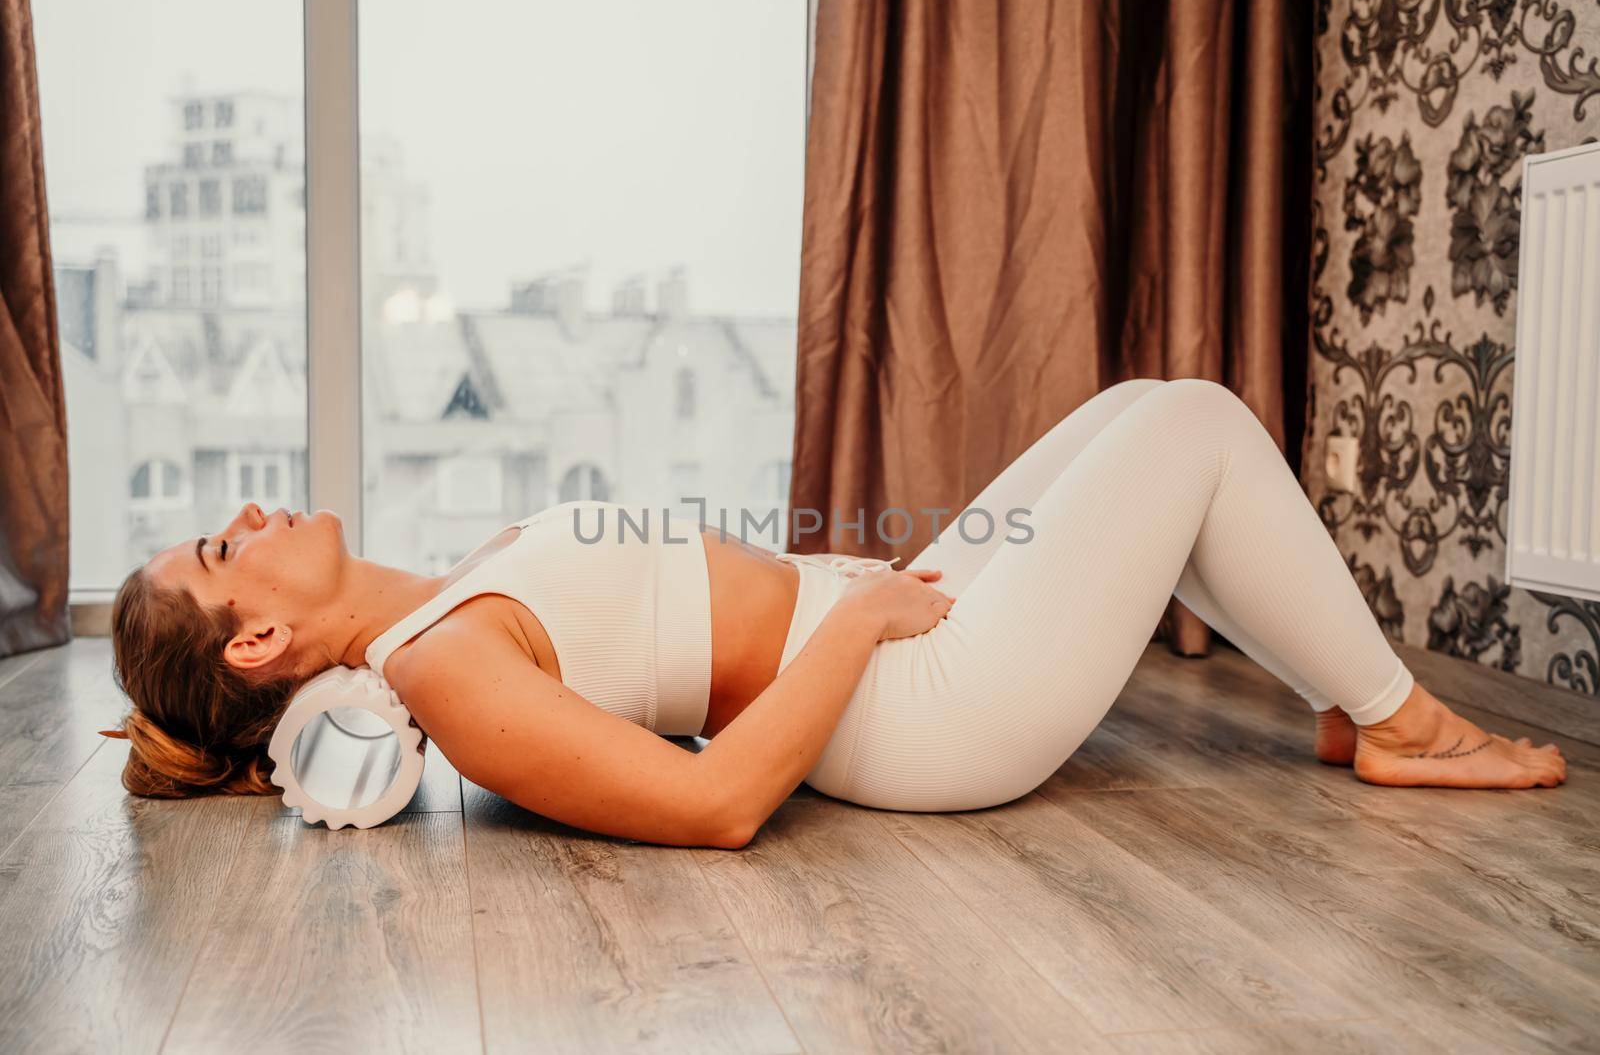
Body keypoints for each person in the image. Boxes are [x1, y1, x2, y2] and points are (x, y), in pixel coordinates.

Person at [105, 379, 1566, 847]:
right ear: (255, 642)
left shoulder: (449, 594)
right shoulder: (444, 673)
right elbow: (722, 804)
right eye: (218, 552)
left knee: (1137, 404)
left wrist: (861, 603)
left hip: (875, 623)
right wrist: (859, 629)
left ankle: (1336, 680)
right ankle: (1405, 724)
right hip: (921, 710)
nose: (245, 517)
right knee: (1189, 428)